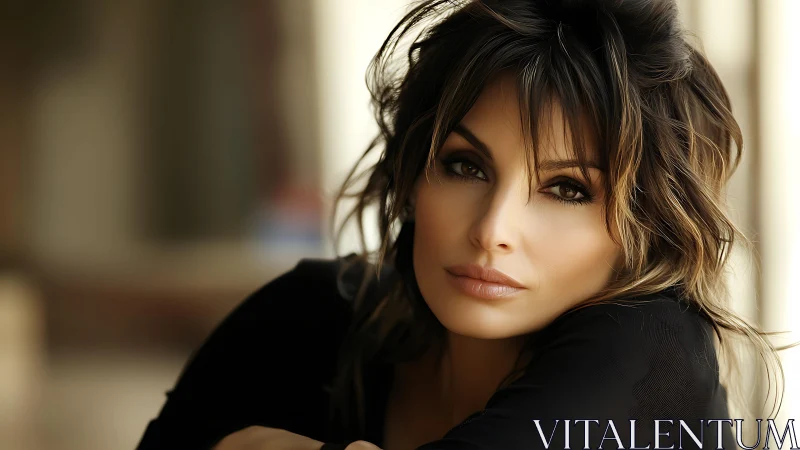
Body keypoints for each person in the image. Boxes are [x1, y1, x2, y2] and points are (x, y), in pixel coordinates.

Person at [136, 0, 785, 449]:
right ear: (414, 175)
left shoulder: (656, 351)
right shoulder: (307, 319)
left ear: (644, 225)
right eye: (465, 165)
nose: (493, 229)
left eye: (566, 188)